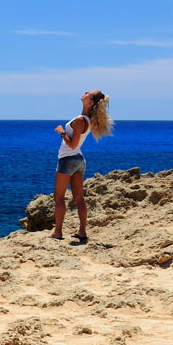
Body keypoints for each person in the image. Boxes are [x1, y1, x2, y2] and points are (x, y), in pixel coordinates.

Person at [49, 90, 113, 242]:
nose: (85, 93)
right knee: (79, 197)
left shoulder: (80, 120)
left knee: (58, 197)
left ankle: (57, 232)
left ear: (90, 102)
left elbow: (72, 144)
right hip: (79, 160)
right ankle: (82, 231)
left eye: (88, 94)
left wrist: (61, 132)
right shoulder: (89, 120)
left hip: (68, 159)